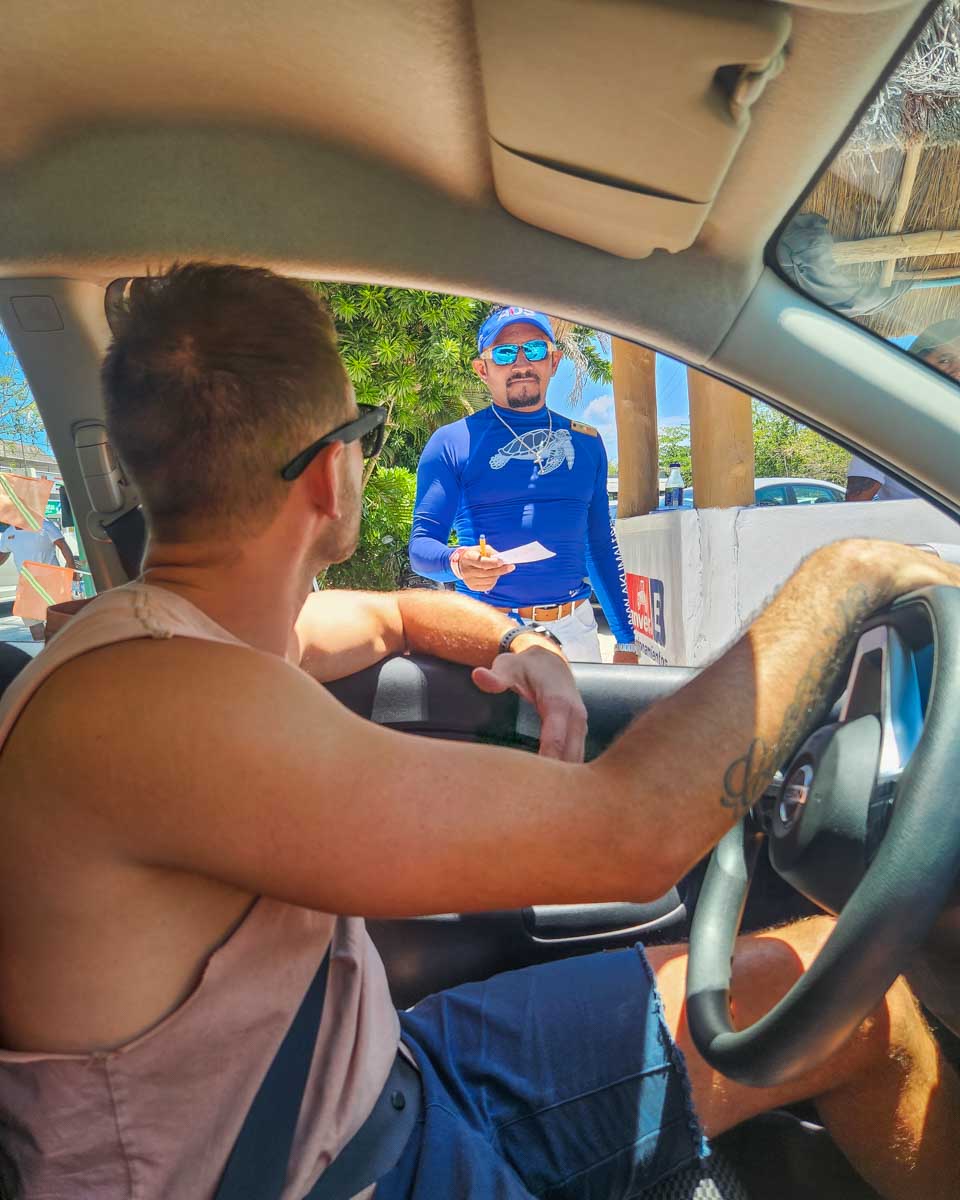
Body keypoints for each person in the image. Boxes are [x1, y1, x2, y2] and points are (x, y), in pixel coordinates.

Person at [0, 264, 958, 1200]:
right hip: (325, 1166)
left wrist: (522, 639)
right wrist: (848, 575)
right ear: (335, 475)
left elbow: (389, 616)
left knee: (848, 1003)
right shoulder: (170, 711)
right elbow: (629, 838)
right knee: (845, 996)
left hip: (373, 1077)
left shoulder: (179, 638)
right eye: (366, 438)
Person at [409, 306, 638, 663]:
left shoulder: (586, 442)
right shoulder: (453, 441)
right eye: (503, 353)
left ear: (554, 361)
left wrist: (625, 640)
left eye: (534, 349)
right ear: (482, 369)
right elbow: (421, 548)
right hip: (489, 631)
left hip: (575, 632)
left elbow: (599, 545)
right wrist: (457, 561)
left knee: (583, 721)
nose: (520, 364)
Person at [847, 319, 960, 502]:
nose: (957, 371)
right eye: (944, 360)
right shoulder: (890, 422)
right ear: (917, 364)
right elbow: (856, 503)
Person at [0, 510, 77, 639]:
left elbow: (63, 546)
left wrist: (71, 569)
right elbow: (2, 556)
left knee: (59, 625)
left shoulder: (45, 526)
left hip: (52, 580)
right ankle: (44, 654)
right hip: (27, 583)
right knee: (36, 630)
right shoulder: (9, 534)